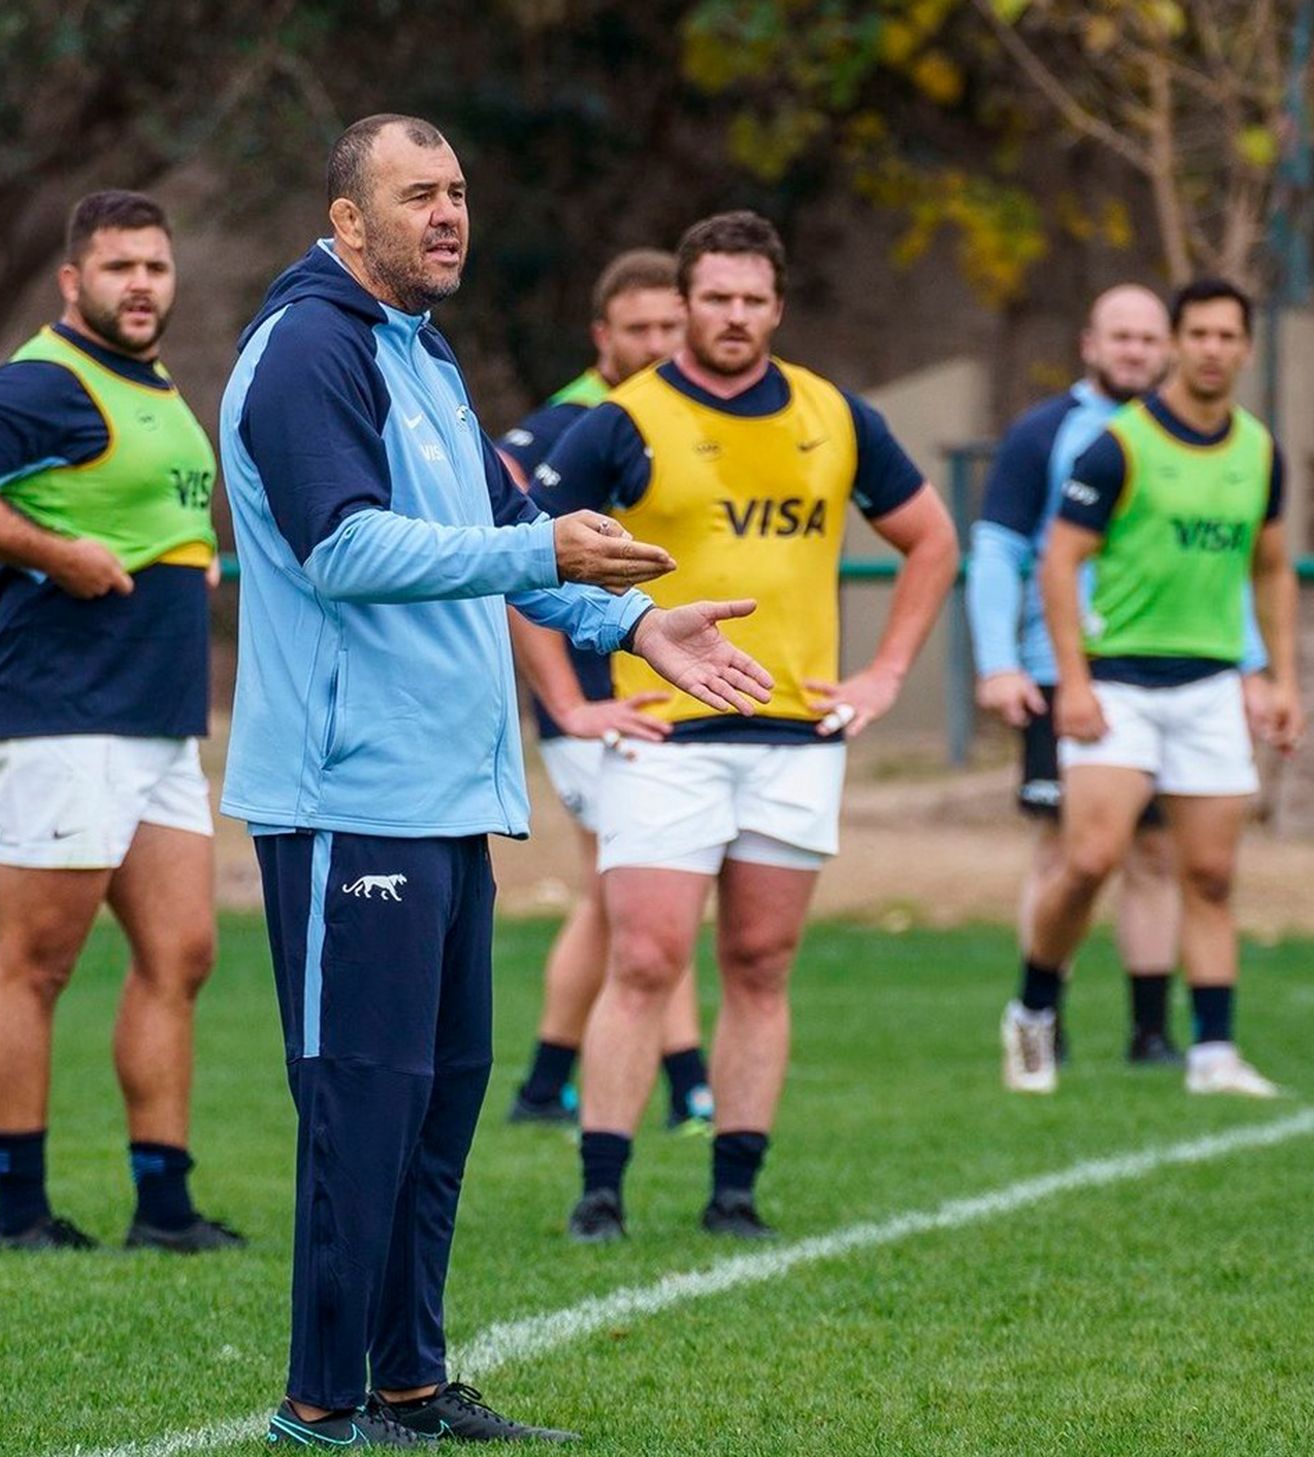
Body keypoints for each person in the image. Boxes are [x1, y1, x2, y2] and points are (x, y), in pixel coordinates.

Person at [219, 114, 773, 1447]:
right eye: (418, 195)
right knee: (361, 1104)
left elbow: (515, 544)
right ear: (348, 221)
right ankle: (318, 1404)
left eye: (458, 190)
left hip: (448, 794)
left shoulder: (419, 351)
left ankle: (410, 1383)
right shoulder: (309, 349)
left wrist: (639, 626)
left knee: (442, 1093)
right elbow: (344, 547)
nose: (448, 214)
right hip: (351, 793)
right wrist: (543, 560)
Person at [529, 210, 960, 1243]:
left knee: (762, 961)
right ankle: (601, 1189)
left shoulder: (836, 414)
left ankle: (734, 1190)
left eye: (752, 299)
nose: (733, 315)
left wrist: (888, 670)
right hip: (667, 731)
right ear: (684, 303)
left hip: (795, 735)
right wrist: (569, 701)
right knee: (647, 956)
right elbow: (518, 557)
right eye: (715, 297)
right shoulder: (622, 419)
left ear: (778, 304)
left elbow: (932, 539)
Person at [0, 191, 242, 1253]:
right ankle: (21, 1211)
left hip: (156, 723)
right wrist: (52, 552)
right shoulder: (48, 380)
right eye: (119, 266)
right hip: (62, 716)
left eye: (157, 267)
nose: (142, 284)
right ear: (72, 281)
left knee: (181, 952)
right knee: (37, 962)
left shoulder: (159, 386)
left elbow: (141, 513)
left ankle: (165, 1205)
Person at [1011, 277, 1303, 1098]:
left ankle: (1212, 1052)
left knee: (1209, 874)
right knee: (1091, 860)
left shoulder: (1259, 450)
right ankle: (1033, 1007)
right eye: (1199, 334)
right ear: (1177, 342)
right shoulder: (1119, 445)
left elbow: (1273, 567)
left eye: (1227, 335)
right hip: (1118, 682)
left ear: (1245, 347)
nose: (1213, 349)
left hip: (1210, 685)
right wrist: (1071, 679)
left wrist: (1279, 678)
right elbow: (1058, 560)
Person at [498, 249, 712, 1130]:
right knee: (647, 879)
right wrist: (564, 703)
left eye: (672, 326)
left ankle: (547, 1081)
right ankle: (688, 1080)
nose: (659, 344)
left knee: (624, 885)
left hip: (665, 685)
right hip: (597, 700)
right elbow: (504, 573)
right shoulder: (559, 431)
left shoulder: (691, 417)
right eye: (640, 330)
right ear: (602, 336)